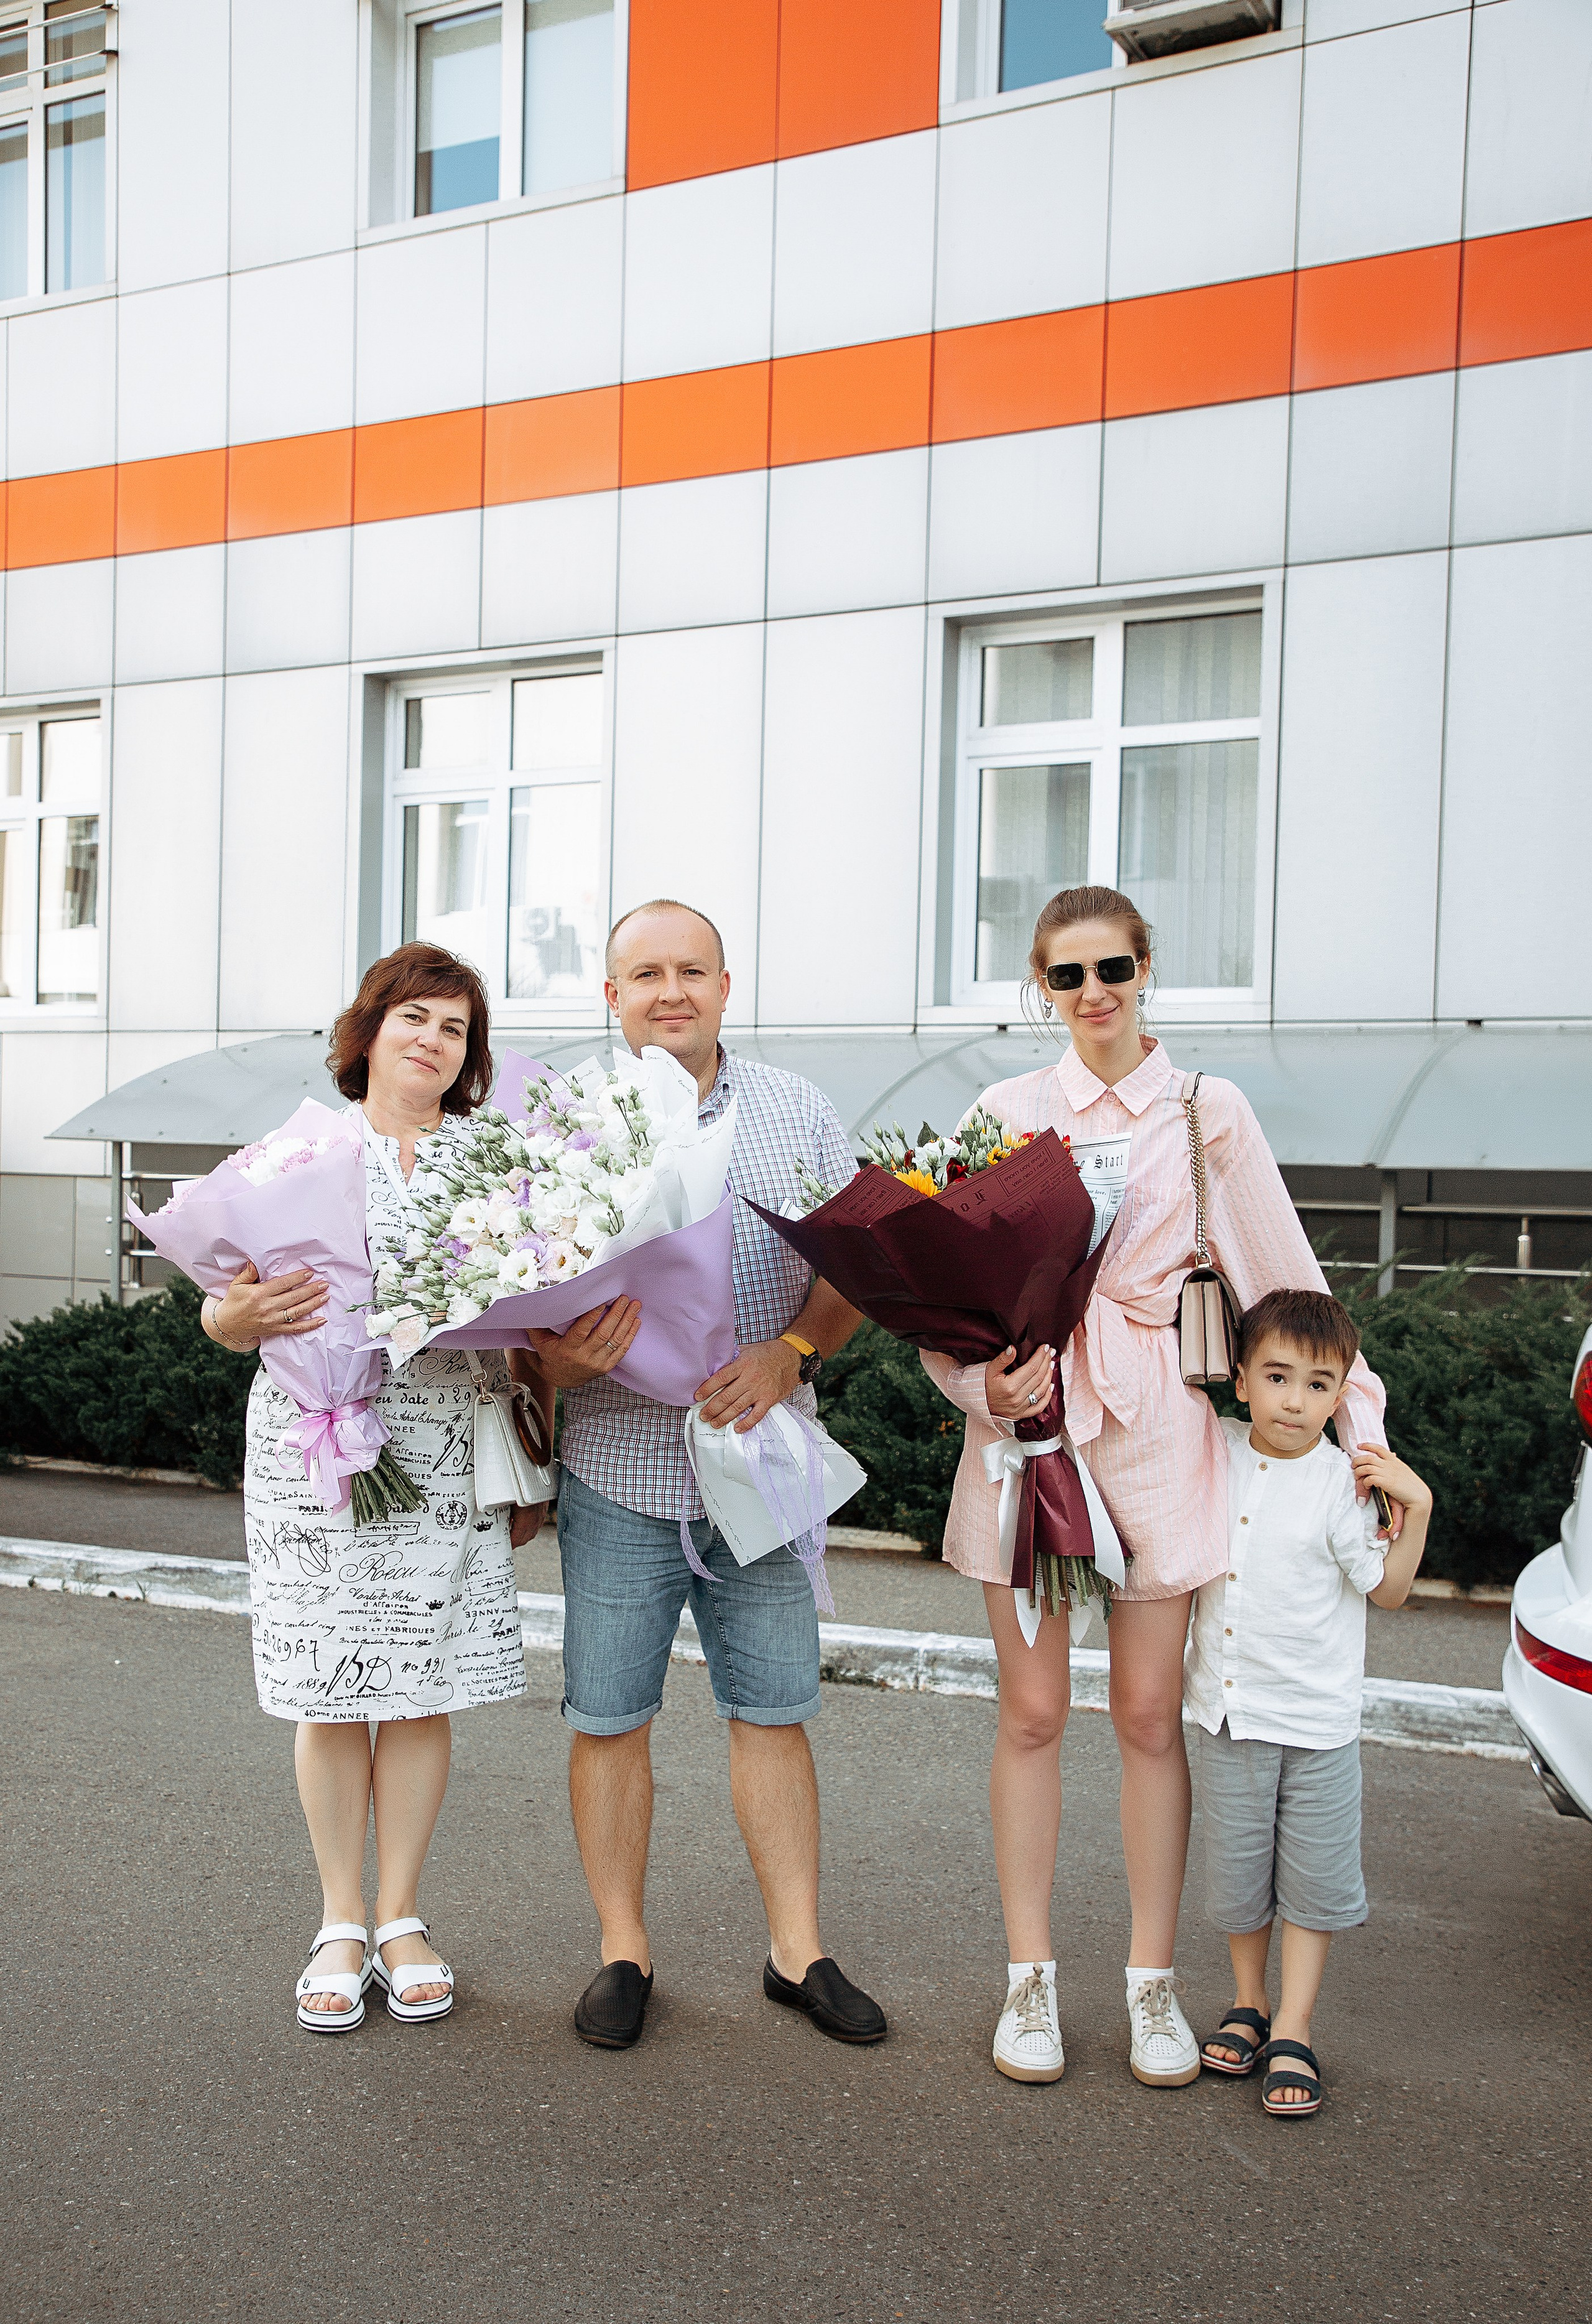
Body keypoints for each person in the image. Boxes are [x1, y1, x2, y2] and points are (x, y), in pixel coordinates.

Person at [921, 885, 1403, 2089]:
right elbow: (936, 1306)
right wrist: (991, 1394)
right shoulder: (1001, 1109)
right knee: (1030, 1716)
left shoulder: (1205, 1110)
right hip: (1029, 1442)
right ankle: (1027, 1980)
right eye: (1069, 976)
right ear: (1041, 990)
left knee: (1147, 1719)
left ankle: (1152, 1986)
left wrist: (1365, 1437)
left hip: (1157, 1435)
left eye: (1116, 970)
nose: (1095, 995)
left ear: (1148, 974)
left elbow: (1285, 1276)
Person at [522, 898, 885, 2052]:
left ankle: (798, 1951)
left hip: (760, 1468)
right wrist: (558, 1358)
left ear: (728, 986)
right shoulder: (562, 1119)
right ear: (612, 998)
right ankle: (621, 1951)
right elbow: (516, 1304)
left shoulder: (797, 1111)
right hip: (620, 1469)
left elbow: (865, 1267)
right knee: (609, 1718)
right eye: (644, 974)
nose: (669, 991)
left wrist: (793, 1352)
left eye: (692, 971)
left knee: (773, 1712)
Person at [201, 943, 550, 2034]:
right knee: (328, 1681)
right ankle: (340, 1918)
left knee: (416, 1681)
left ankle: (403, 1914)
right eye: (414, 1018)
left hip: (444, 1442)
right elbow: (223, 1303)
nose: (432, 1041)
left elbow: (535, 1319)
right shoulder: (296, 1151)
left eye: (454, 1028)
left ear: (469, 1056)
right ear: (368, 1033)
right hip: (316, 1443)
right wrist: (234, 1319)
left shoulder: (499, 1165)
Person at [1187, 1288, 1431, 2116]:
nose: (1297, 1401)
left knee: (1314, 1884)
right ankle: (1249, 2004)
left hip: (1319, 1727)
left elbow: (1387, 1592)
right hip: (1230, 1715)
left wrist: (1420, 1509)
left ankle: (1296, 2024)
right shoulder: (1212, 1453)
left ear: (1340, 1398)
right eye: (1279, 1378)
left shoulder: (1341, 1485)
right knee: (1238, 1880)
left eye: (1319, 1385)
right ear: (1243, 1382)